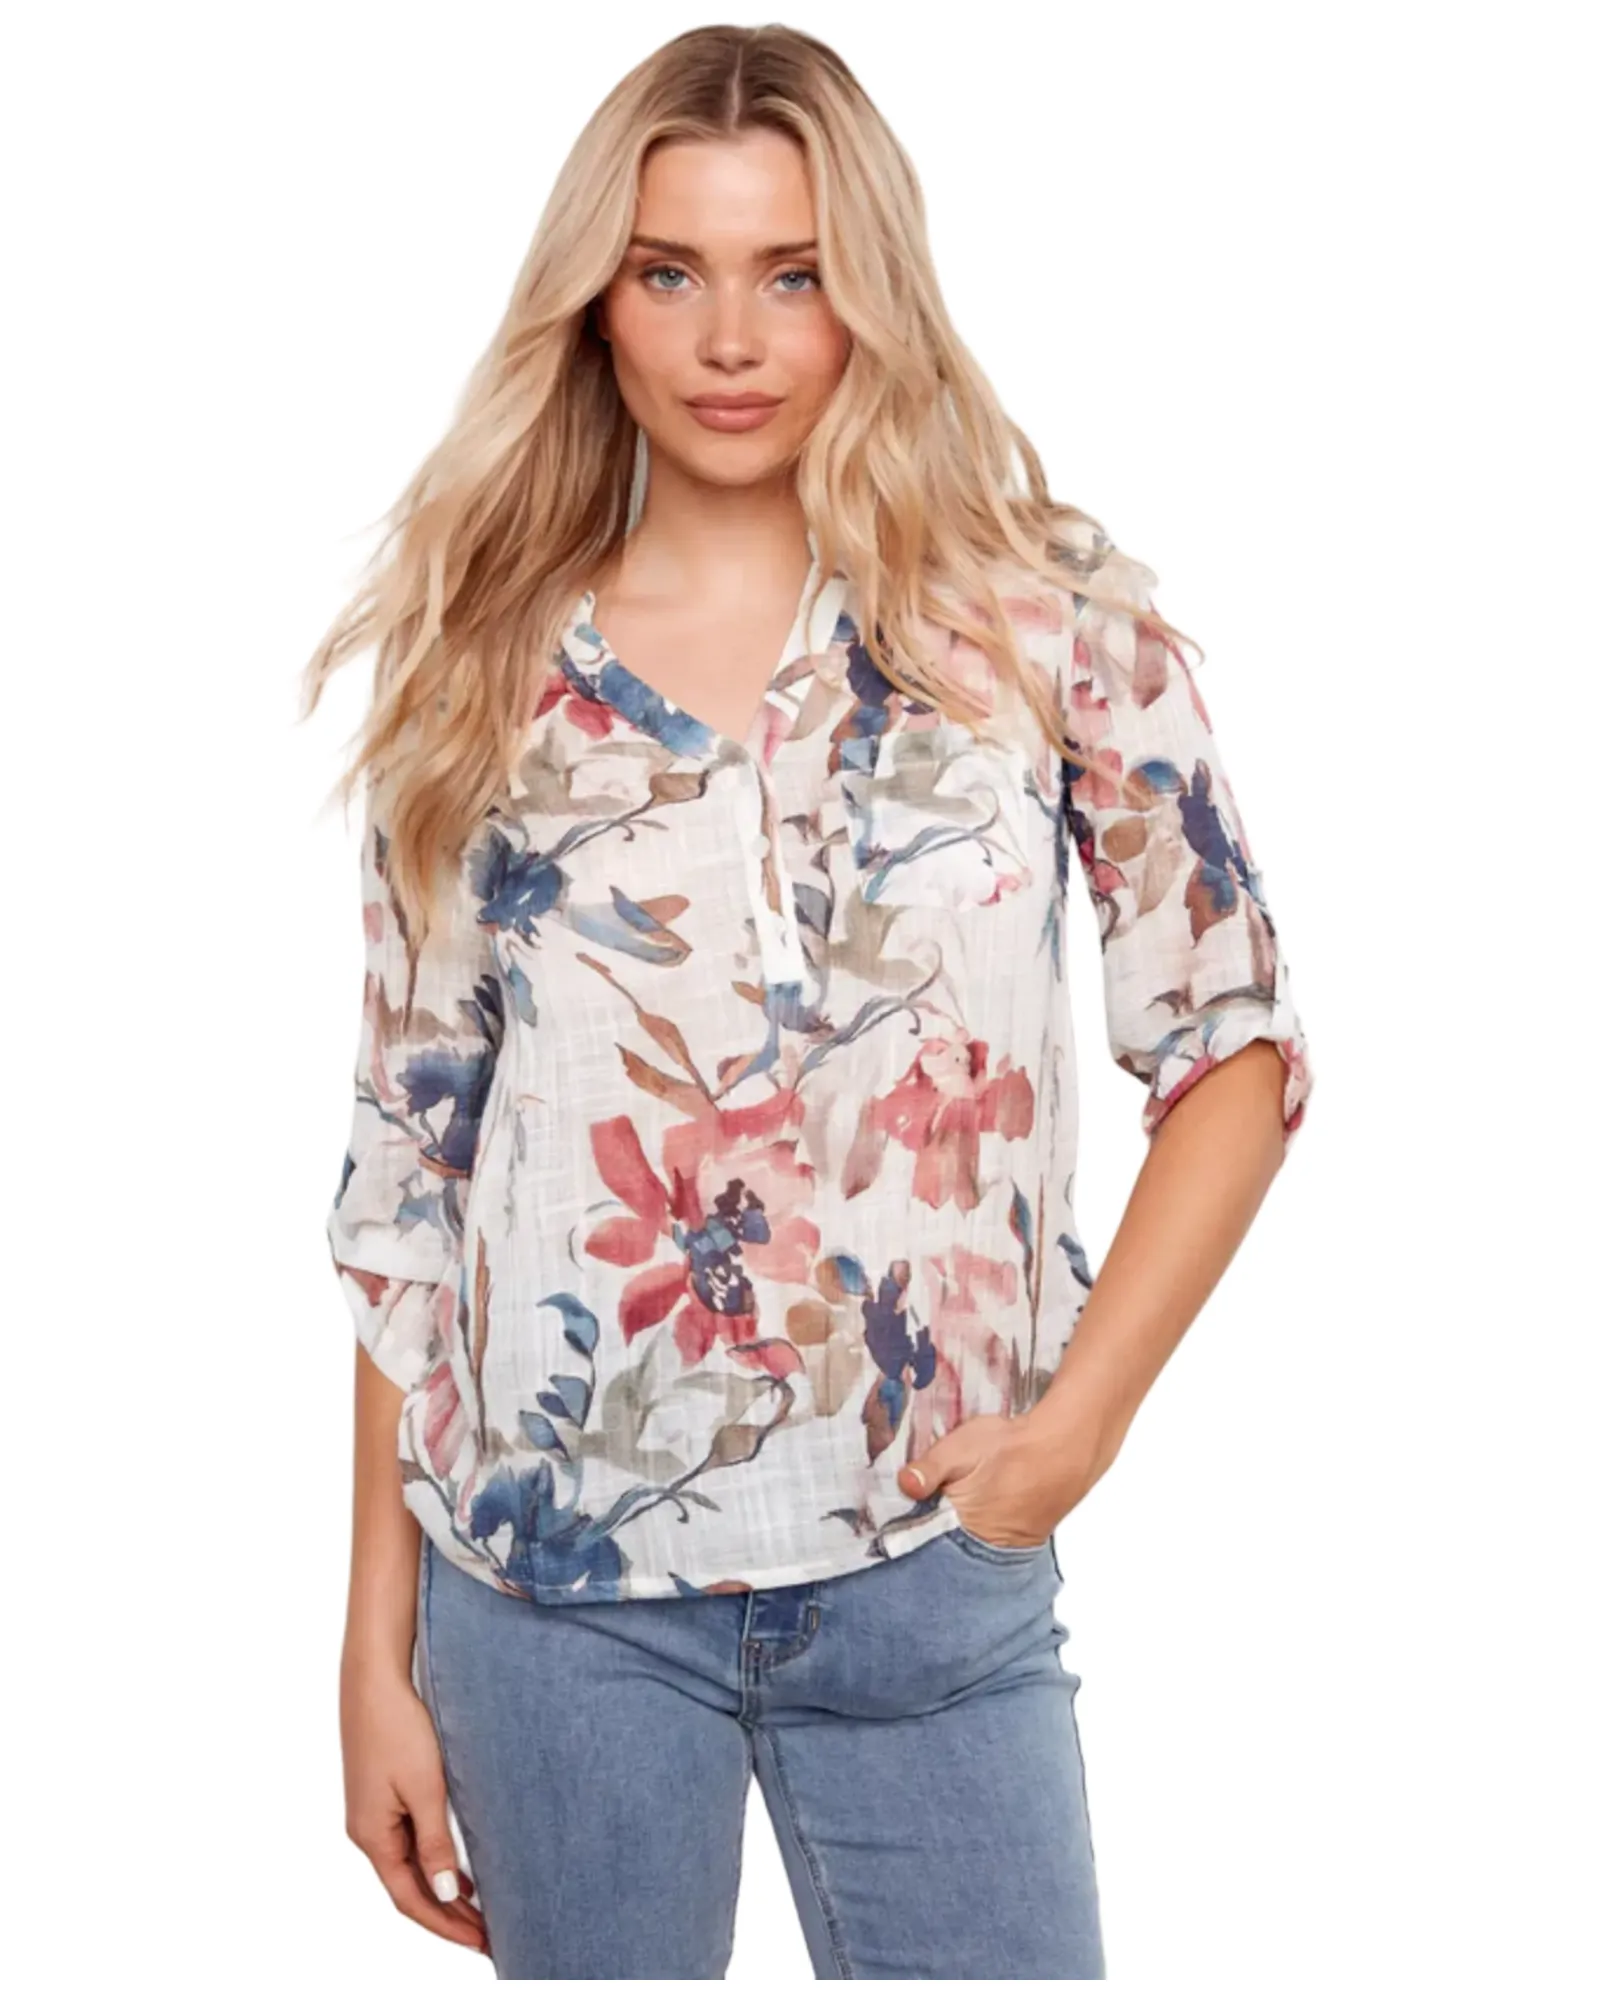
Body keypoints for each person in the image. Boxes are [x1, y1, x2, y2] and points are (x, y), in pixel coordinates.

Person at [301, 22, 1313, 1980]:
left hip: (936, 1579)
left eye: (793, 274)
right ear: (595, 300)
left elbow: (1233, 1041)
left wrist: (1076, 1431)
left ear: (874, 292)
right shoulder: (486, 665)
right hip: (551, 1600)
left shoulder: (1043, 618)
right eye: (668, 271)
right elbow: (409, 1176)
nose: (729, 340)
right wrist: (372, 1642)